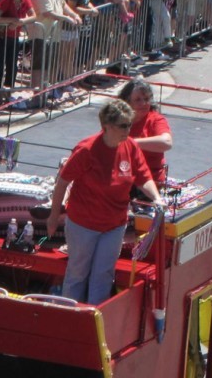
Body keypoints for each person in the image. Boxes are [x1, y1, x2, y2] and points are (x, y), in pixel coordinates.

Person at [46, 100, 164, 305]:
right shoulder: (87, 149)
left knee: (103, 274)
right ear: (107, 126)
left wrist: (156, 198)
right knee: (78, 272)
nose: (129, 129)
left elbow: (143, 176)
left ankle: (94, 317)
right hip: (83, 224)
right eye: (123, 125)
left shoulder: (131, 147)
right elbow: (62, 183)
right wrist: (53, 216)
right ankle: (67, 316)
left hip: (114, 225)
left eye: (129, 124)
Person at [121, 79, 172, 195]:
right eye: (138, 100)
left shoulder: (156, 119)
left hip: (149, 179)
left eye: (146, 99)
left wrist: (130, 142)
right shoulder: (119, 119)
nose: (144, 103)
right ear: (127, 102)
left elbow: (167, 142)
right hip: (122, 175)